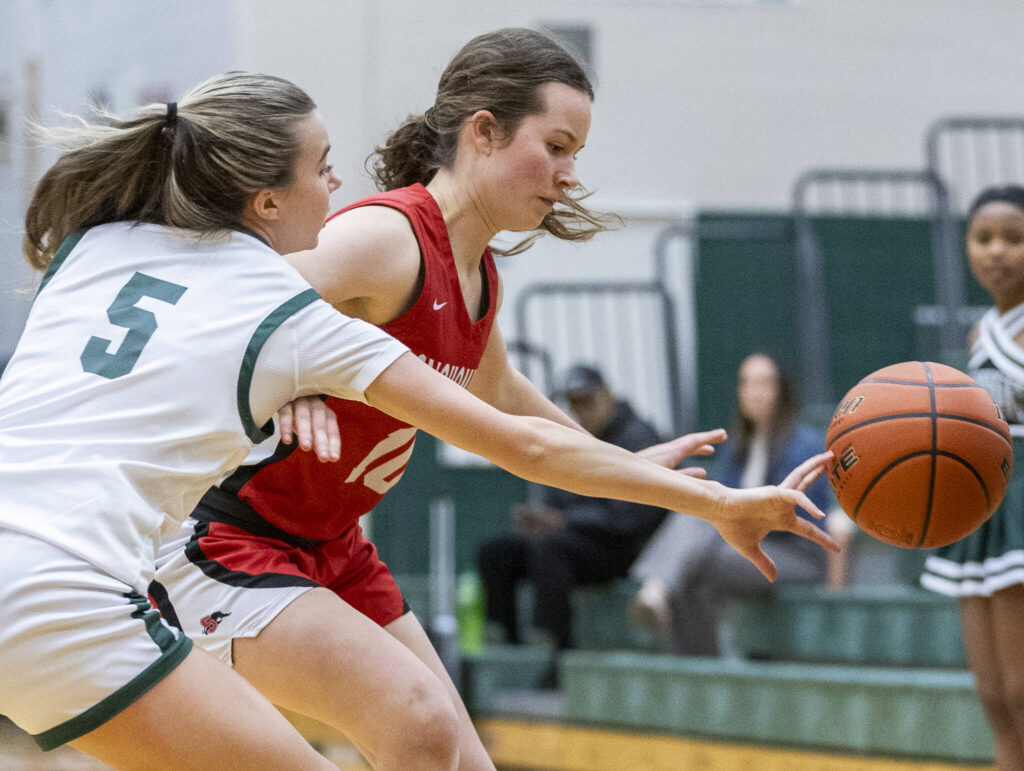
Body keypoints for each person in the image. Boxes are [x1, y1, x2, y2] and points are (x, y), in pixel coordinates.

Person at [0, 69, 839, 770]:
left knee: (451, 748)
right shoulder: (343, 262)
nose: (337, 186)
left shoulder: (101, 239)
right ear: (262, 199)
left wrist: (625, 464)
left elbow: (507, 400)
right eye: (320, 166)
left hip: (321, 541)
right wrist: (712, 502)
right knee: (412, 717)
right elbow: (513, 441)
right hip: (186, 552)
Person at [629, 353, 834, 656]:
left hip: (796, 554)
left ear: (782, 391)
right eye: (747, 383)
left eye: (764, 383)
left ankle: (657, 590)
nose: (755, 391)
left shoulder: (804, 444)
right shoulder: (738, 448)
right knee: (695, 556)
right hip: (742, 548)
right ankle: (694, 667)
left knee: (696, 548)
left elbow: (800, 516)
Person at [920, 185, 1024, 771]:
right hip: (985, 505)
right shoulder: (981, 330)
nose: (996, 251)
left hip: (1023, 507)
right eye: (983, 238)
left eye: (1013, 238)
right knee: (995, 697)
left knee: (1022, 692)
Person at [476, 363, 673, 657]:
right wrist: (543, 519)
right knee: (496, 552)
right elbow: (559, 495)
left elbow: (629, 518)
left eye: (587, 401)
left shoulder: (638, 436)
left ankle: (561, 653)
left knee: (552, 551)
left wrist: (563, 521)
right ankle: (509, 648)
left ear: (606, 395)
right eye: (573, 404)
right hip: (575, 539)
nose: (581, 411)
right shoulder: (573, 436)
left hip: (624, 549)